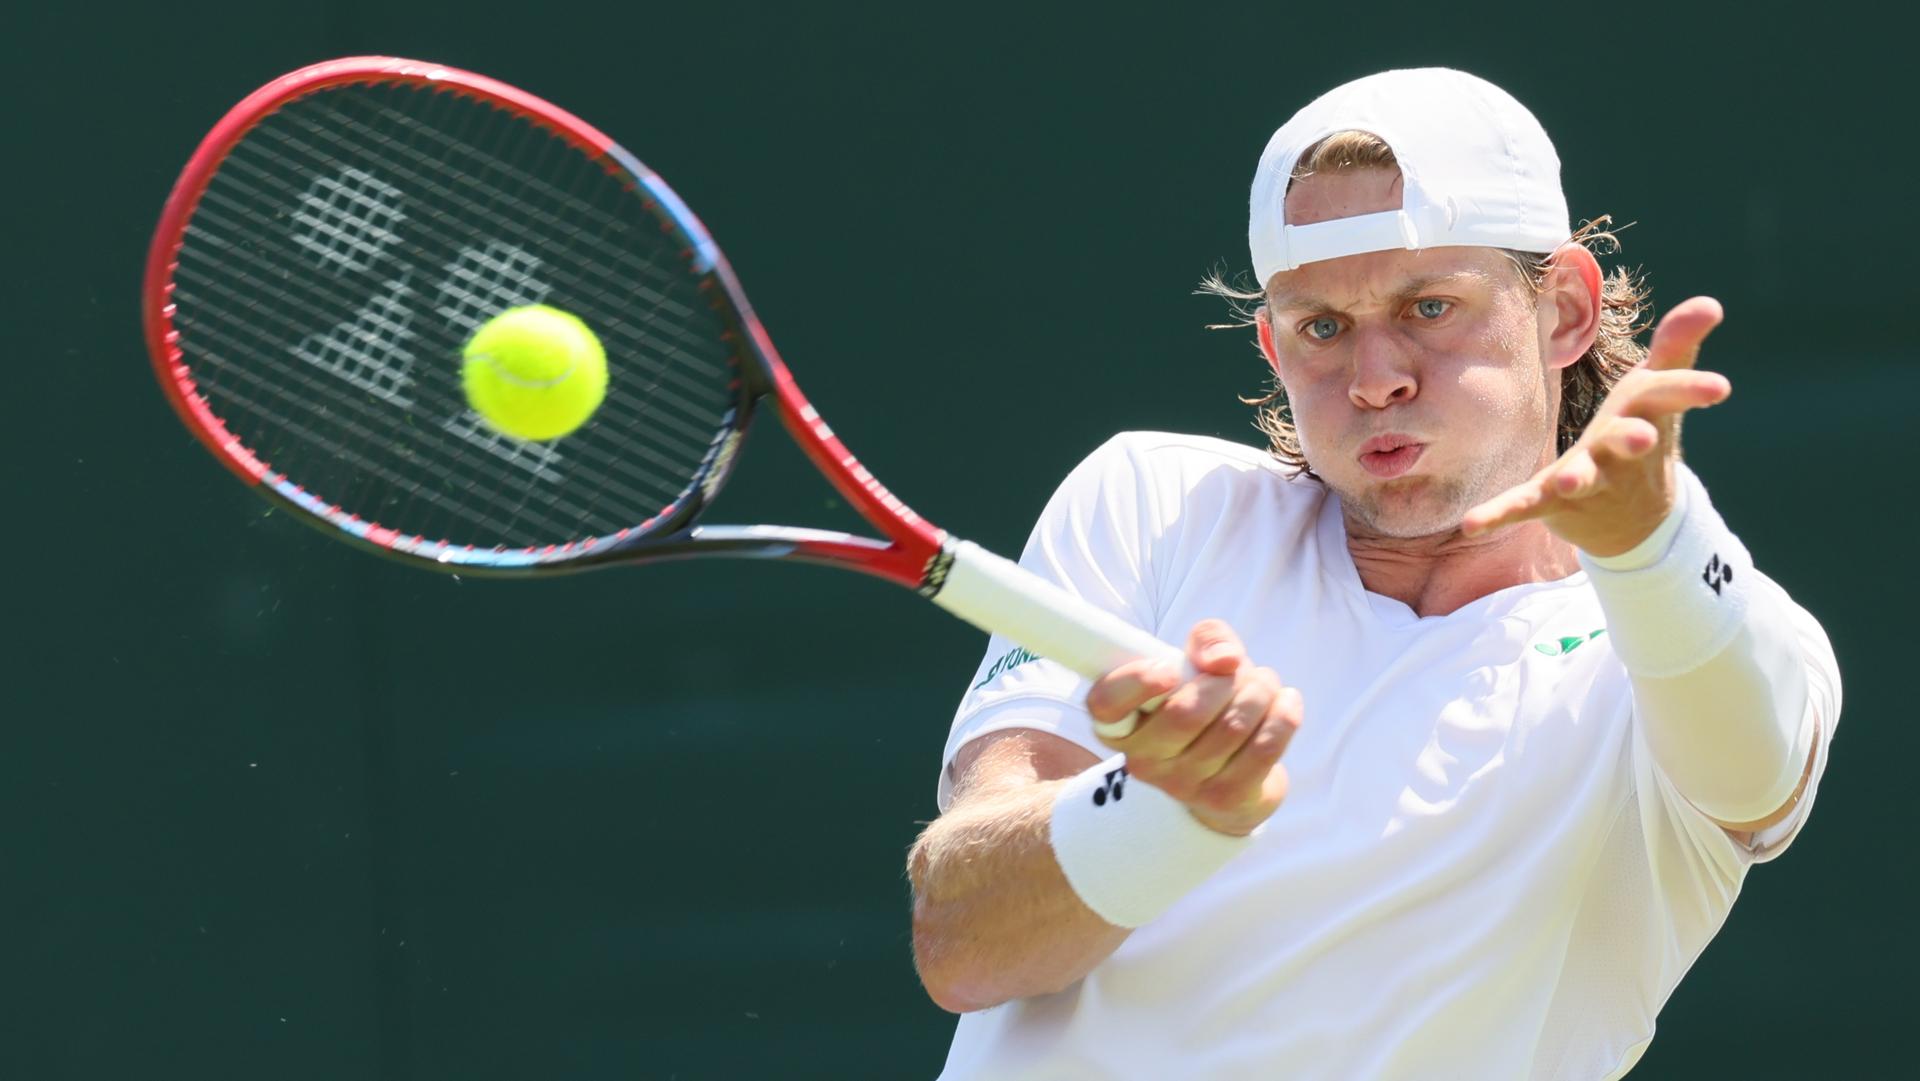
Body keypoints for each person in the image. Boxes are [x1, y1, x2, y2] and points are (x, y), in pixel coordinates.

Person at [906, 67, 1840, 1080]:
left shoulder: (1691, 641)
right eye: (1322, 327)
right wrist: (1160, 806)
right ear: (1272, 344)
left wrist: (1654, 539)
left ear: (1564, 310)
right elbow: (962, 941)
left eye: (1430, 306)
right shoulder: (1152, 502)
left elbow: (1753, 775)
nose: (1375, 376)